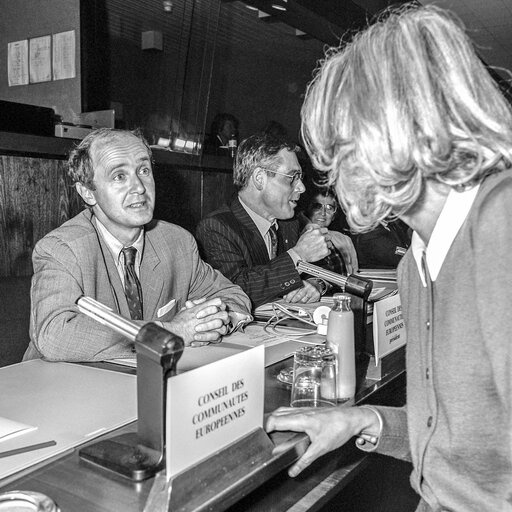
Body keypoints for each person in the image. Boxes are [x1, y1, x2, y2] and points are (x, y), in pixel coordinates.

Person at [266, 4, 512, 512]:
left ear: (399, 127)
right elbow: (462, 445)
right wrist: (365, 420)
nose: (330, 174)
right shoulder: (417, 260)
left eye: (341, 146)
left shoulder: (500, 223)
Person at [24, 128, 252, 362]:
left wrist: (216, 320)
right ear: (88, 192)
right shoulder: (62, 248)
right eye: (119, 176)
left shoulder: (177, 241)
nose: (140, 187)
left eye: (144, 170)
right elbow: (55, 335)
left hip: (145, 382)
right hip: (66, 388)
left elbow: (232, 295)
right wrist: (171, 331)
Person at [196, 133, 332, 309]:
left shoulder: (292, 220)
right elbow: (234, 291)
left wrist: (316, 284)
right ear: (259, 178)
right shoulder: (215, 227)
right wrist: (298, 256)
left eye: (300, 177)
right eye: (292, 177)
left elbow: (325, 267)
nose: (302, 187)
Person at [299, 186, 358, 276]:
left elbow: (354, 274)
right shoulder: (298, 239)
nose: (323, 213)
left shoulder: (344, 240)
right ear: (308, 209)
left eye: (329, 208)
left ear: (334, 216)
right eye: (317, 206)